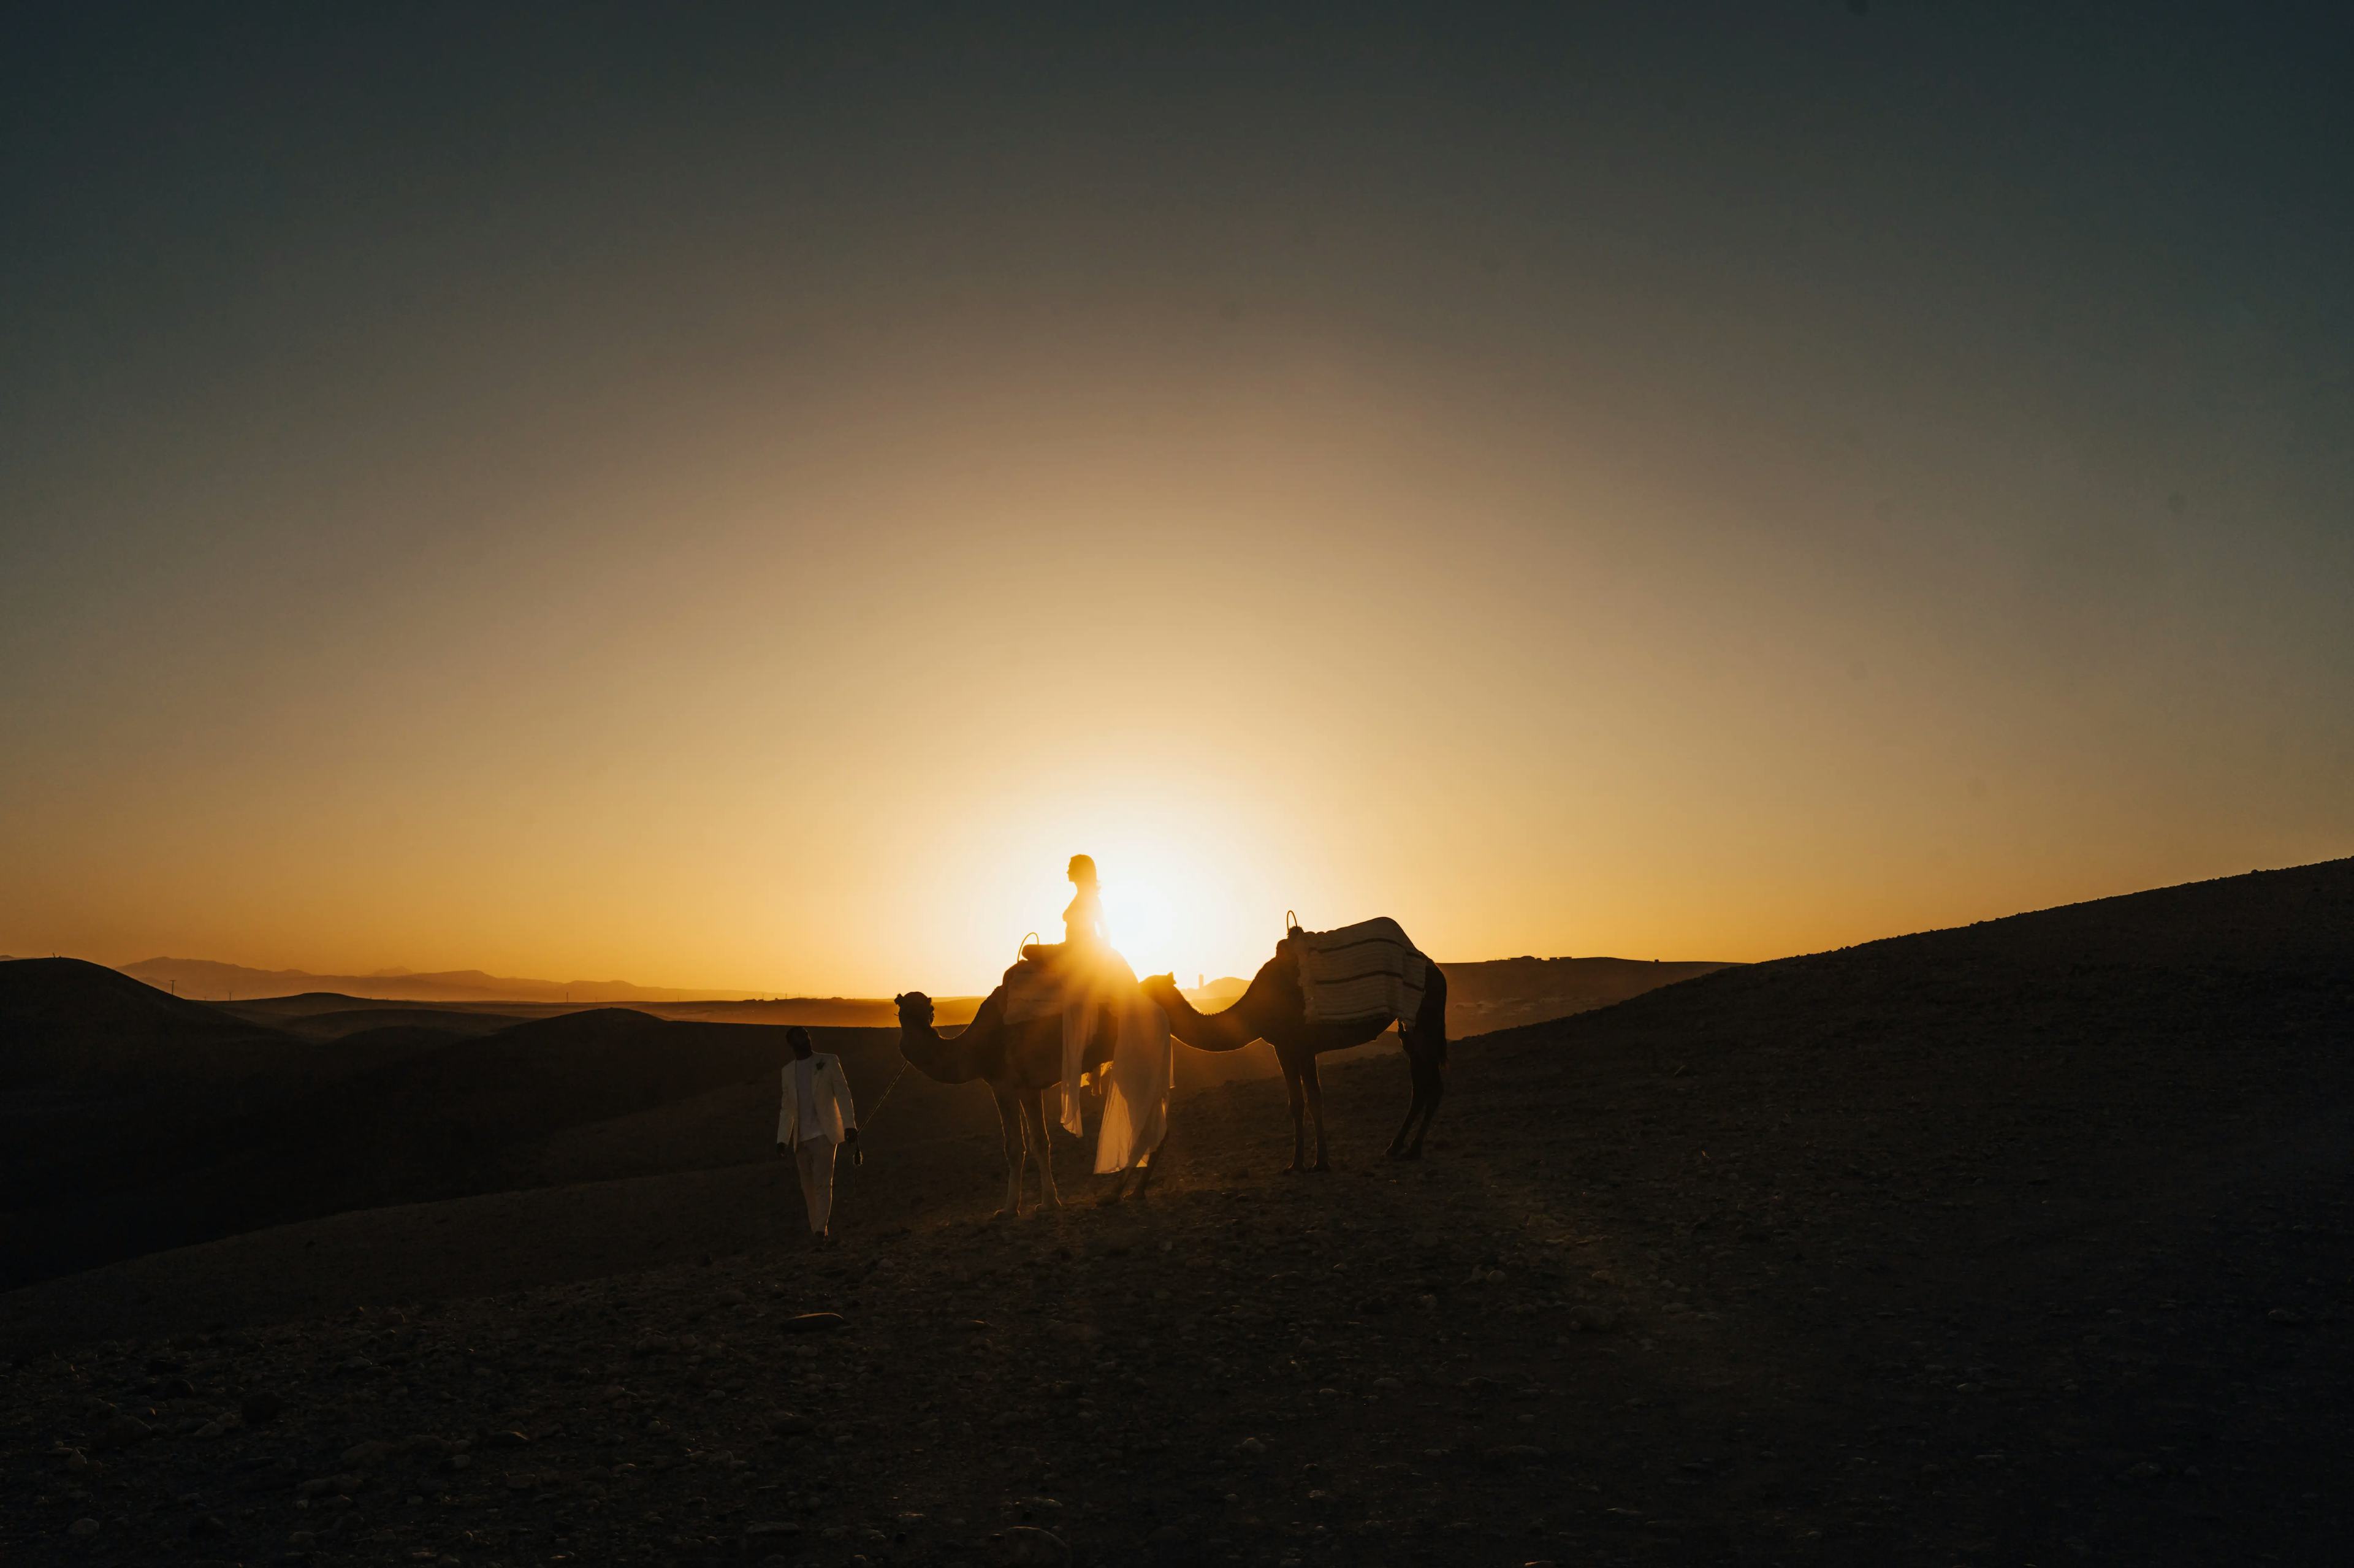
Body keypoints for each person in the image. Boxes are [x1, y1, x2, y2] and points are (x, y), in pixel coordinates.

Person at [774, 1025, 858, 1246]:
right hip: (801, 1139)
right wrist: (782, 1139)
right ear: (792, 1043)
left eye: (806, 1035)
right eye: (800, 1037)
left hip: (824, 1134)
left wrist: (849, 1125)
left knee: (822, 1183)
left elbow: (842, 1092)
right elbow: (787, 1108)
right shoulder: (787, 1072)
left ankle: (820, 1231)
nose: (805, 1039)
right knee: (808, 1187)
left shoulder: (829, 1062)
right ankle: (818, 1229)